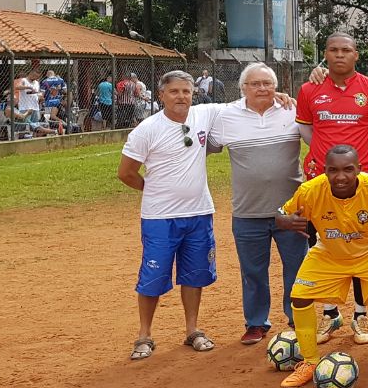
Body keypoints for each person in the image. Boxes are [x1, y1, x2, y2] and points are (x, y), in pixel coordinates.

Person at [276, 144, 368, 388]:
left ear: (359, 169)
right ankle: (309, 362)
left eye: (348, 169)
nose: (341, 176)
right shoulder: (309, 191)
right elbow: (280, 214)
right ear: (324, 171)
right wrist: (286, 222)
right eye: (333, 170)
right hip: (330, 251)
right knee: (299, 298)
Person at [295, 33, 368, 346]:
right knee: (324, 243)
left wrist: (365, 155)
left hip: (362, 180)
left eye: (346, 50)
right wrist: (329, 162)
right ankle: (330, 312)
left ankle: (360, 313)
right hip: (322, 182)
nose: (339, 55)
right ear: (325, 54)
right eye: (333, 50)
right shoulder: (310, 88)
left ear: (356, 55)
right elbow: (305, 128)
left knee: (360, 243)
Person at [117, 70, 222, 360]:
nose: (181, 97)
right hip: (160, 219)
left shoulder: (203, 115)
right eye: (174, 92)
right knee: (153, 275)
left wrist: (278, 96)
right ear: (161, 95)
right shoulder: (147, 129)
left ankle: (192, 330)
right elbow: (125, 173)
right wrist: (153, 191)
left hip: (199, 213)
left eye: (186, 91)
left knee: (195, 273)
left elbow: (244, 103)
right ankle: (144, 335)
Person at [207, 63, 307, 346]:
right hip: (248, 211)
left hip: (291, 211)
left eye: (267, 83)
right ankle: (256, 322)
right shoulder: (227, 116)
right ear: (243, 89)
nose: (262, 88)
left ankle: (297, 316)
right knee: (252, 271)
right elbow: (206, 144)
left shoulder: (293, 110)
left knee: (297, 267)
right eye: (255, 84)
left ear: (276, 87)